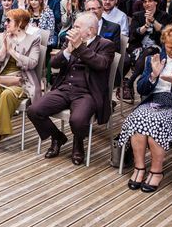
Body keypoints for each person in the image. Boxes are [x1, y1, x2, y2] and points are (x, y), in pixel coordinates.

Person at [118, 25, 172, 192]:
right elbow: (141, 90)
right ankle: (139, 168)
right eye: (168, 46)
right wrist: (153, 75)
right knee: (138, 119)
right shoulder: (156, 59)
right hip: (154, 101)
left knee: (155, 123)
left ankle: (157, 171)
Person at [27, 12, 115, 165]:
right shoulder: (70, 41)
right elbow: (53, 64)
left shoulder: (105, 45)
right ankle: (58, 137)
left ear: (91, 30)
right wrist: (67, 51)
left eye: (76, 27)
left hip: (87, 93)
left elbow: (101, 63)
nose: (72, 30)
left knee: (78, 120)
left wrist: (79, 47)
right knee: (34, 110)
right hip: (64, 88)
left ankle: (78, 143)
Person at [0, 9, 41, 157]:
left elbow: (32, 63)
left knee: (7, 95)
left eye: (9, 21)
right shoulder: (2, 36)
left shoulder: (33, 39)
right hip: (1, 77)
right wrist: (2, 51)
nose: (5, 23)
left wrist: (13, 52)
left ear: (19, 23)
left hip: (21, 80)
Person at [121, 0, 172, 102]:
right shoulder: (137, 15)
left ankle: (130, 82)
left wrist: (153, 21)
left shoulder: (165, 16)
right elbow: (134, 34)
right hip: (138, 47)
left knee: (149, 51)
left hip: (156, 48)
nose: (147, 4)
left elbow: (166, 33)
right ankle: (142, 86)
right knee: (145, 54)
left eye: (150, 1)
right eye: (145, 2)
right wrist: (146, 25)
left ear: (156, 2)